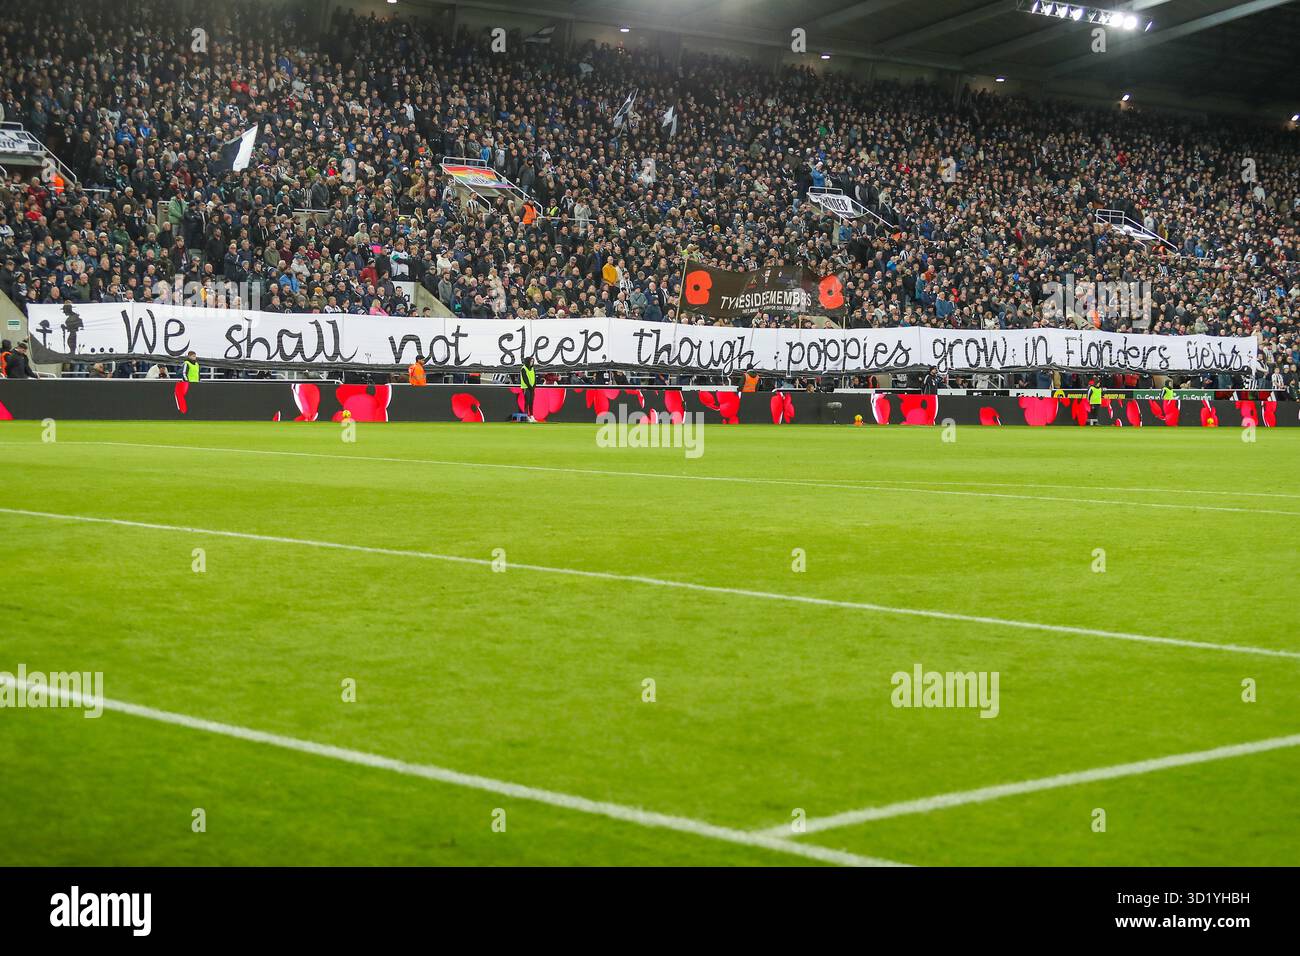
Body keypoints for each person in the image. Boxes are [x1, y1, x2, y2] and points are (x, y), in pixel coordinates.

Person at [520, 355, 538, 422]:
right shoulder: (523, 369)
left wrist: (534, 386)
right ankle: (526, 416)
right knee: (527, 402)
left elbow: (534, 378)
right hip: (526, 388)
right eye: (531, 361)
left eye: (533, 361)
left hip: (532, 388)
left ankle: (532, 415)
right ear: (528, 362)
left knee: (531, 402)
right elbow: (525, 379)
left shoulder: (533, 368)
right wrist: (530, 387)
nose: (532, 363)